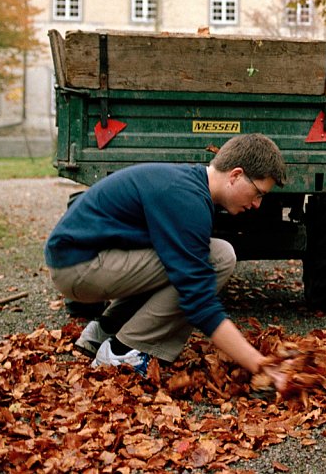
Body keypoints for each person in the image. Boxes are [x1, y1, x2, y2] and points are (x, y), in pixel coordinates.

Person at [44, 133, 288, 386]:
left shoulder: (188, 185)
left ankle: (105, 329)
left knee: (192, 257)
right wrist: (260, 365)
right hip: (79, 268)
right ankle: (121, 351)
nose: (258, 204)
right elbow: (198, 300)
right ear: (236, 175)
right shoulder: (186, 199)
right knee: (218, 257)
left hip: (81, 261)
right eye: (258, 193)